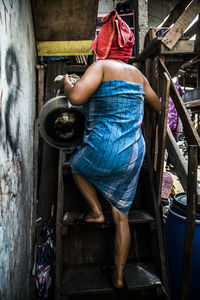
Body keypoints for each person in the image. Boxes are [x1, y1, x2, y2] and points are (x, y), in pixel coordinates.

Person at [59, 10, 161, 293]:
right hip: (132, 156)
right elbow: (158, 105)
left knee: (77, 166)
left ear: (102, 46)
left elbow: (77, 96)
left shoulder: (101, 67)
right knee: (122, 217)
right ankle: (118, 278)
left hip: (103, 151)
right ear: (126, 49)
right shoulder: (138, 75)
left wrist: (67, 83)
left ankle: (94, 211)